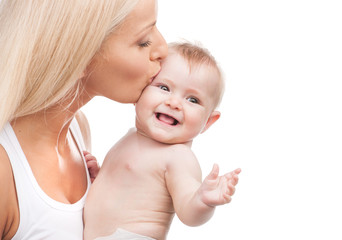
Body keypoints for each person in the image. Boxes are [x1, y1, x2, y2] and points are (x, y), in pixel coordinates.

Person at [0, 0, 168, 239]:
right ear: (77, 56)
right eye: (143, 42)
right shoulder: (4, 170)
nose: (164, 50)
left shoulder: (78, 130)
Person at [84, 42, 241, 240]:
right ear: (139, 91)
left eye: (193, 100)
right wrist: (97, 179)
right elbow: (124, 192)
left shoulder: (178, 156)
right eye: (164, 87)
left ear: (208, 122)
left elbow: (188, 210)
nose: (174, 103)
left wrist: (203, 200)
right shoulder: (130, 137)